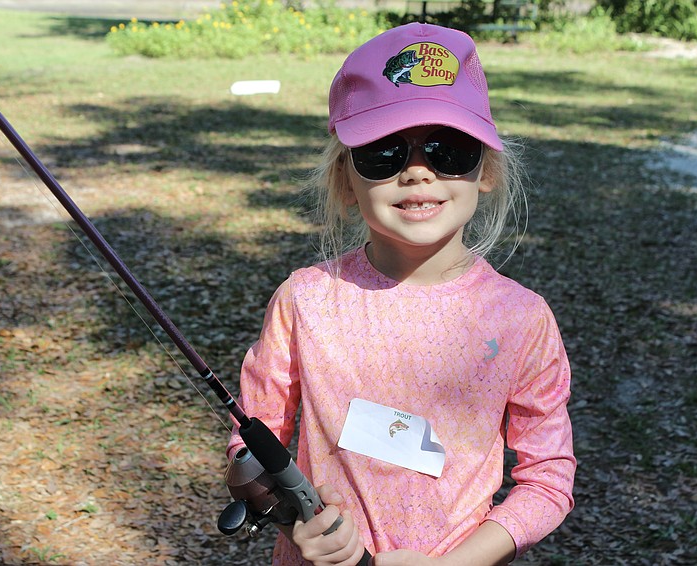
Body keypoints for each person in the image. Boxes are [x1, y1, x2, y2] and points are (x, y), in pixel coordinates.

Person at [227, 22, 575, 566]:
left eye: (448, 148)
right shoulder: (304, 301)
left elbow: (548, 478)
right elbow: (253, 441)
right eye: (384, 152)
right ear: (346, 181)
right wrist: (290, 518)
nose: (417, 171)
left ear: (485, 168)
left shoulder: (521, 318)